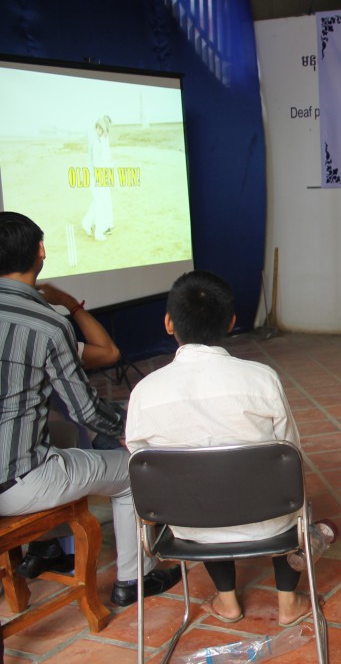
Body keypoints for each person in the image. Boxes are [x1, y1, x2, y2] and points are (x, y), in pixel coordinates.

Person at [0, 212, 180, 605]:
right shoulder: (47, 325)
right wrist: (134, 423)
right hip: (13, 485)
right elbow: (86, 410)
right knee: (130, 471)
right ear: (41, 252)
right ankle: (134, 581)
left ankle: (46, 547)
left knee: (64, 433)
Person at [125, 270, 311, 626]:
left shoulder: (144, 392)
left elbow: (138, 460)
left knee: (199, 490)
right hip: (269, 518)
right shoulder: (261, 378)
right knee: (289, 489)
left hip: (188, 525)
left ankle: (227, 602)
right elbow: (290, 451)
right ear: (231, 321)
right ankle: (288, 604)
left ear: (168, 323)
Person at [81, 115, 114, 241]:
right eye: (102, 129)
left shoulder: (100, 138)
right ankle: (99, 232)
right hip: (97, 176)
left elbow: (104, 158)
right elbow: (96, 162)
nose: (103, 131)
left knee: (99, 202)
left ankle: (86, 223)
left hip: (101, 175)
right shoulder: (95, 139)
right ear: (98, 127)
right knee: (101, 203)